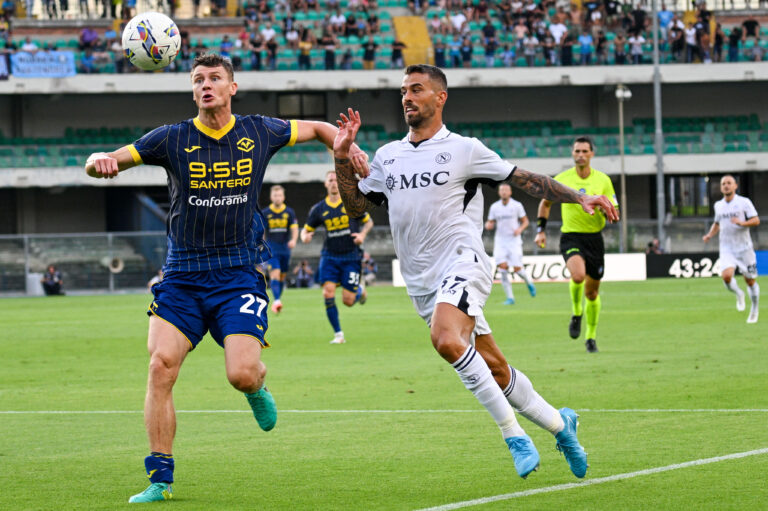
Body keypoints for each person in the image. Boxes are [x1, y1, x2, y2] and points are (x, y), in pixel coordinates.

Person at [84, 53, 366, 504]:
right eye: (198, 80)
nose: (206, 85)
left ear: (232, 87)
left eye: (215, 78)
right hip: (181, 276)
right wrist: (100, 160)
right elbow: (119, 156)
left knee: (240, 373)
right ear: (192, 90)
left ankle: (257, 385)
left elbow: (316, 128)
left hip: (237, 276)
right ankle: (160, 478)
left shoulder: (259, 131)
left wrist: (345, 146)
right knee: (160, 367)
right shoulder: (171, 139)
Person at [332, 65, 619, 479]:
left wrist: (579, 197)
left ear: (440, 97)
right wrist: (342, 156)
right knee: (497, 370)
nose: (407, 98)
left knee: (446, 339)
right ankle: (562, 425)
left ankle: (513, 435)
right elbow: (357, 207)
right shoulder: (388, 156)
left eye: (417, 89)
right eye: (403, 91)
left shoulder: (465, 149)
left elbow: (527, 179)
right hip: (423, 283)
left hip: (464, 263)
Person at [534, 136, 618, 353]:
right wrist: (540, 230)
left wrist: (605, 209)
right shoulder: (562, 179)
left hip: (594, 239)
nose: (580, 155)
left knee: (592, 293)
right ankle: (576, 312)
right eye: (577, 151)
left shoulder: (603, 180)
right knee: (578, 275)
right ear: (573, 154)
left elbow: (614, 209)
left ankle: (590, 337)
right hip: (571, 236)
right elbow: (545, 203)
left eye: (584, 151)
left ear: (591, 154)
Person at [301, 171, 373, 344]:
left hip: (351, 256)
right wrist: (304, 236)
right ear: (325, 184)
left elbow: (368, 222)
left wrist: (362, 235)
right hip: (330, 256)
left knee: (348, 301)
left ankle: (359, 292)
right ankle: (338, 335)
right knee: (328, 292)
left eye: (336, 180)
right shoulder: (318, 209)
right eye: (330, 180)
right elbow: (306, 229)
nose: (333, 183)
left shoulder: (351, 203)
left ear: (340, 183)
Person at [702, 175, 760, 324]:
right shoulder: (718, 206)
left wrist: (742, 223)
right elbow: (717, 224)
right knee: (726, 277)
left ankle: (754, 308)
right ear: (721, 188)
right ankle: (739, 294)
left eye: (729, 183)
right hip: (727, 248)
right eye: (723, 184)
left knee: (750, 280)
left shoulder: (744, 202)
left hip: (745, 248)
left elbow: (756, 220)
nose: (726, 186)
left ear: (735, 186)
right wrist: (709, 235)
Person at [485, 182, 536, 305]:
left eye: (506, 190)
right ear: (499, 192)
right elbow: (489, 222)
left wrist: (519, 229)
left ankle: (529, 282)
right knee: (502, 268)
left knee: (518, 269)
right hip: (500, 242)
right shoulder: (494, 207)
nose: (503, 192)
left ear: (510, 192)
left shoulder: (517, 206)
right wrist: (488, 225)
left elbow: (525, 221)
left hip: (514, 242)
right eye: (501, 190)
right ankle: (510, 298)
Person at [261, 185, 299, 314]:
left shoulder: (289, 212)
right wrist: (262, 244)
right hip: (272, 248)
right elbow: (263, 231)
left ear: (283, 197)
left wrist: (293, 240)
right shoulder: (266, 213)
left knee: (282, 277)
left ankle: (278, 299)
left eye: (280, 195)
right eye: (275, 195)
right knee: (275, 274)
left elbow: (294, 228)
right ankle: (277, 301)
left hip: (285, 249)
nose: (277, 198)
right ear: (271, 197)